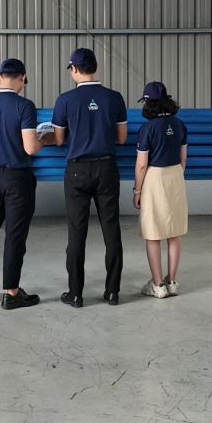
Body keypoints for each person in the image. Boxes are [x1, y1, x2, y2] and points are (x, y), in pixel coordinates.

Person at [51, 47, 128, 307]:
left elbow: (59, 139)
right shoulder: (115, 98)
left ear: (74, 69)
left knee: (76, 233)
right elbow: (121, 138)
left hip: (77, 170)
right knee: (111, 230)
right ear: (96, 67)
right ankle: (113, 292)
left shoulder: (65, 100)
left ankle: (75, 293)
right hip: (107, 168)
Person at [0, 58, 47, 310]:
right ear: (22, 77)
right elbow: (30, 147)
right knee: (14, 235)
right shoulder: (25, 106)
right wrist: (44, 139)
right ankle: (11, 293)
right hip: (16, 177)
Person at [132, 81, 188, 299]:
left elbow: (141, 165)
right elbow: (184, 159)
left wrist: (138, 191)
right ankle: (172, 281)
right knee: (174, 232)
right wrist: (175, 175)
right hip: (175, 175)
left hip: (154, 177)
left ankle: (157, 285)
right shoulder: (180, 125)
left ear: (148, 103)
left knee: (153, 233)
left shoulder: (147, 128)